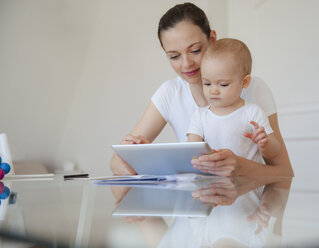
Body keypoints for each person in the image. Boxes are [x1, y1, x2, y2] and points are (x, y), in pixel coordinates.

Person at [110, 2, 293, 177]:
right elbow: (116, 162)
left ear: (212, 39)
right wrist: (140, 157)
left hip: (248, 202)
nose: (187, 64)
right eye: (174, 56)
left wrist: (241, 167)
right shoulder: (170, 92)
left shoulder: (254, 90)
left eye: (195, 50)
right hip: (198, 201)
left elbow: (284, 172)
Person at [187, 38, 281, 166]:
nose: (213, 90)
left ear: (245, 82)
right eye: (207, 83)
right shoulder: (199, 116)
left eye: (223, 84)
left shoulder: (253, 112)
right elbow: (191, 151)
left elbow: (274, 152)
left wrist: (265, 143)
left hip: (247, 183)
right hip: (212, 182)